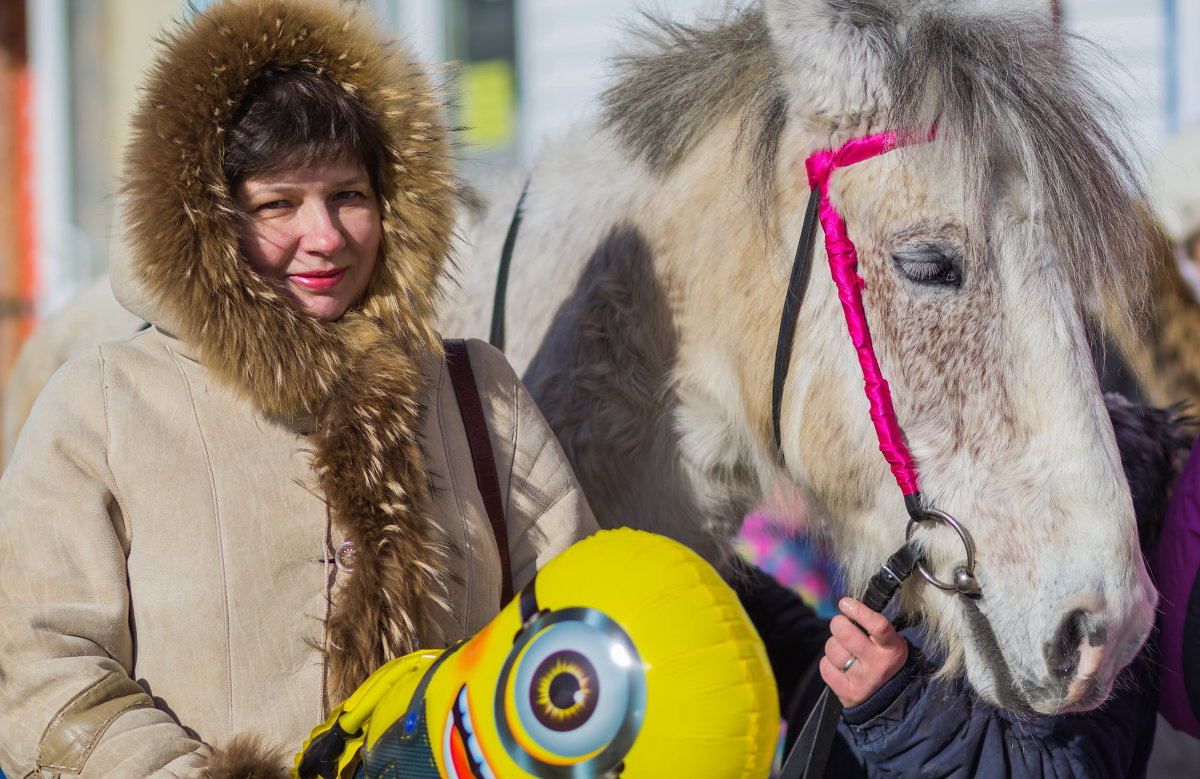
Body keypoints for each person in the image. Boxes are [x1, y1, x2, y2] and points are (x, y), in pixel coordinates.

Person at [0, 1, 597, 777]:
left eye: (349, 194)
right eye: (277, 204)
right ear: (204, 225)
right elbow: (43, 665)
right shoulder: (100, 407)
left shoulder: (474, 391)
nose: (326, 235)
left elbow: (584, 622)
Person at [740, 395, 1187, 778]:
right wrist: (740, 593)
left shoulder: (1091, 631)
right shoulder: (985, 559)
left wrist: (895, 705)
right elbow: (862, 675)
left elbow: (1052, 770)